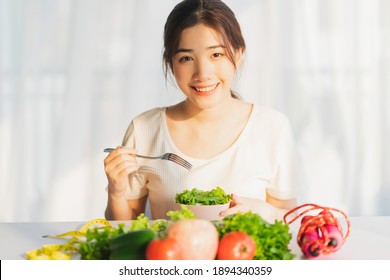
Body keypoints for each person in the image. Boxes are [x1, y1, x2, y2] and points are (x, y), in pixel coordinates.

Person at [104, 0, 300, 222]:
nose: (203, 73)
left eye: (216, 54)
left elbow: (290, 220)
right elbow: (125, 227)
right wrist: (116, 191)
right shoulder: (145, 129)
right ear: (171, 64)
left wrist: (265, 211)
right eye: (186, 58)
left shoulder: (272, 127)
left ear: (238, 53)